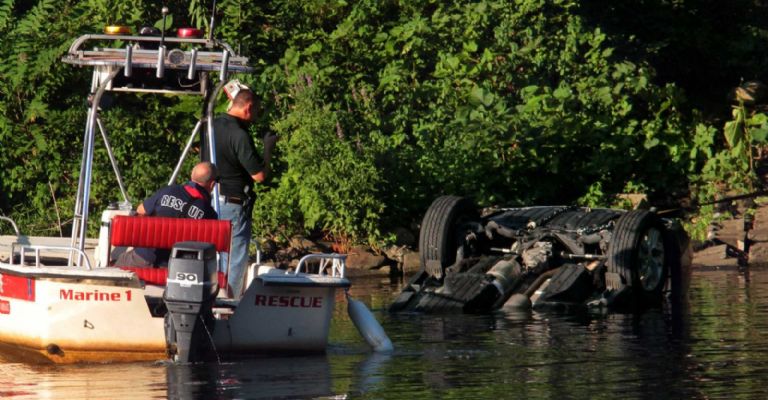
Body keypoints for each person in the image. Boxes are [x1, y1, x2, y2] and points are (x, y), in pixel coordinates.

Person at [203, 88, 276, 298]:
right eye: (257, 111)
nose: (256, 116)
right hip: (233, 202)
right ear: (248, 107)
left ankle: (212, 298)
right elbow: (259, 176)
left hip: (211, 199)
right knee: (234, 259)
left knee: (213, 255)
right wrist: (268, 148)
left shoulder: (211, 125)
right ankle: (228, 305)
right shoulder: (239, 134)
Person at [116, 162, 219, 267]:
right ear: (212, 185)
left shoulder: (168, 190)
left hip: (143, 257)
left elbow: (140, 210)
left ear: (191, 176)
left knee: (118, 265)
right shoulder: (209, 213)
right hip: (176, 267)